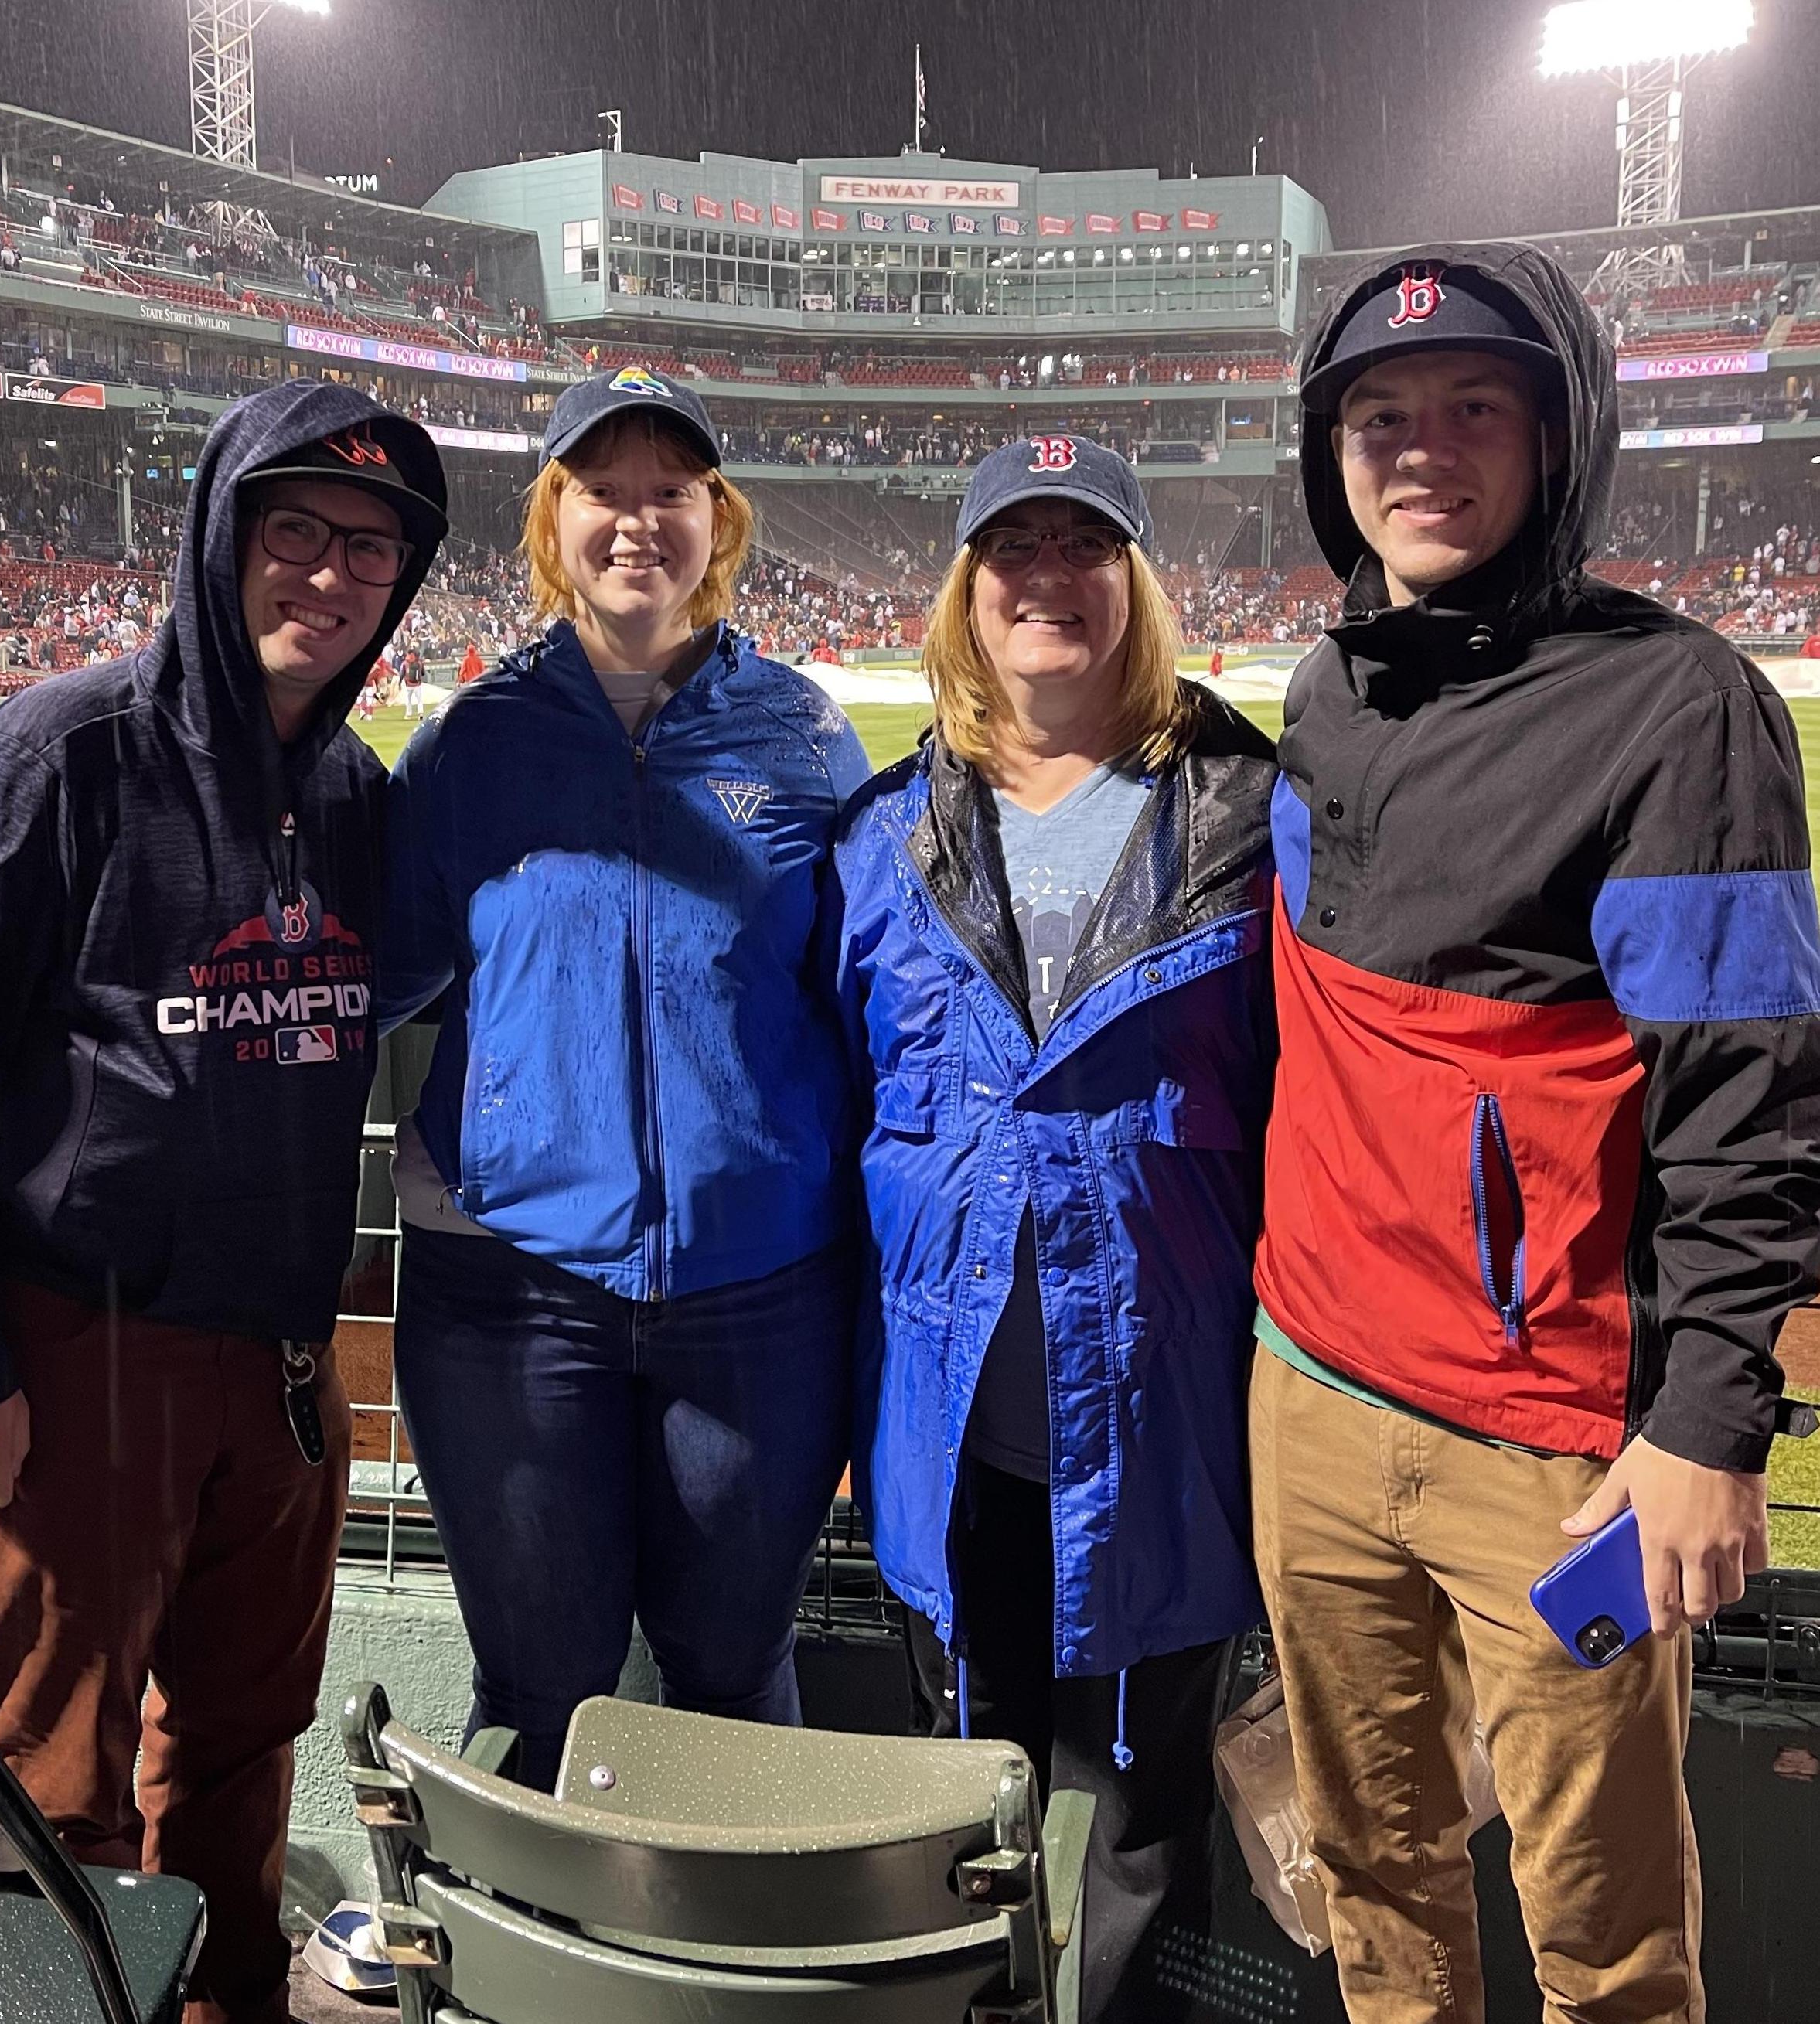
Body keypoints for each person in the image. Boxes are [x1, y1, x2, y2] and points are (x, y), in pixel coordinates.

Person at [0, 381, 448, 2024]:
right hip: (78, 1350)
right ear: (222, 535)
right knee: (57, 1772)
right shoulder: (59, 752)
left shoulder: (354, 797)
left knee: (246, 1748)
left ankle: (223, 2002)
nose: (328, 575)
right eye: (295, 531)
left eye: (370, 551)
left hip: (279, 1365)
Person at [1255, 244, 1820, 2021]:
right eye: (1380, 416)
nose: (1422, 449)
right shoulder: (1328, 690)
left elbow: (1752, 1090)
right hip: (1312, 1409)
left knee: (1610, 1939)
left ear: (1562, 439)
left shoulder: (1680, 711)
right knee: (1372, 1885)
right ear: (1327, 454)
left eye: (1475, 408)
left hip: (1557, 1463)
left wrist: (1713, 1420)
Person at [833, 438, 1276, 2022]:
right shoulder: (875, 839)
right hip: (952, 1442)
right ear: (966, 592)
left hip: (1167, 1438)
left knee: (1149, 1845)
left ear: (1133, 584)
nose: (1043, 575)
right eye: (1007, 545)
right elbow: (835, 1118)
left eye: (1081, 542)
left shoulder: (1251, 819)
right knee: (965, 1831)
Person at [377, 367, 871, 1791]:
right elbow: (368, 984)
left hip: (759, 1297)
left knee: (729, 1679)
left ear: (717, 521)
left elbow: (869, 995)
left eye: (672, 491)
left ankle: (730, 1998)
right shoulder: (469, 744)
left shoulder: (804, 738)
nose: (638, 520)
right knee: (536, 1693)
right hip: (508, 1299)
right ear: (553, 519)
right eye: (604, 489)